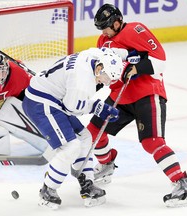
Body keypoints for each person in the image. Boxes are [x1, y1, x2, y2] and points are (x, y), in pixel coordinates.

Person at [87, 3, 187, 207]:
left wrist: (137, 67)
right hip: (120, 96)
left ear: (117, 22)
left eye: (106, 27)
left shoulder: (135, 30)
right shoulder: (103, 40)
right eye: (101, 28)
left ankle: (183, 185)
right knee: (93, 132)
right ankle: (106, 163)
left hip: (146, 94)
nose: (104, 32)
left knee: (152, 142)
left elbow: (160, 60)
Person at [22, 47, 123, 209]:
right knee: (71, 146)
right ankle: (48, 189)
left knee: (85, 137)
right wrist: (99, 108)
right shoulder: (83, 84)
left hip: (55, 97)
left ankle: (87, 182)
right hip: (41, 103)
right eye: (106, 78)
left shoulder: (95, 55)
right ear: (99, 69)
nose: (105, 83)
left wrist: (128, 55)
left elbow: (109, 50)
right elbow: (72, 108)